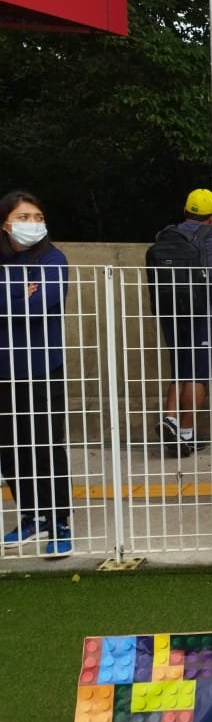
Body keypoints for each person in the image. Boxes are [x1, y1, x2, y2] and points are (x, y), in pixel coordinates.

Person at [0, 190, 73, 557]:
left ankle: (59, 520)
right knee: (10, 450)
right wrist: (21, 293)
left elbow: (40, 305)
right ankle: (32, 515)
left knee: (46, 447)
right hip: (3, 373)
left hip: (43, 370)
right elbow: (23, 303)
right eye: (23, 217)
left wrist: (15, 297)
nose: (33, 223)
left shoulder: (53, 259)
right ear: (5, 223)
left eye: (38, 217)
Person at [151, 189, 212, 455]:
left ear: (186, 211)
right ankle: (186, 432)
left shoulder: (166, 234)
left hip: (170, 312)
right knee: (198, 374)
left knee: (179, 369)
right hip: (204, 311)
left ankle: (170, 418)